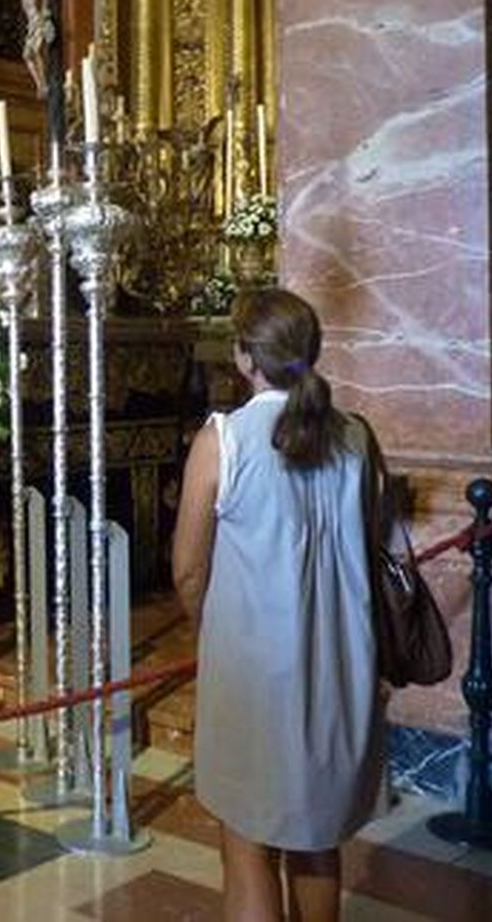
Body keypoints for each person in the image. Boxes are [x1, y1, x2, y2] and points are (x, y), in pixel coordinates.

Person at [173, 287, 387, 922]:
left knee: (246, 843)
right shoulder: (356, 437)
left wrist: (206, 633)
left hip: (252, 671)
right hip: (342, 664)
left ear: (244, 357)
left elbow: (188, 570)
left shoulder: (225, 440)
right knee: (318, 841)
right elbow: (369, 549)